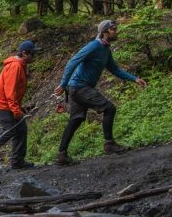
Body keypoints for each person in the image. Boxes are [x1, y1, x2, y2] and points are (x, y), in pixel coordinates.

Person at [54, 20, 147, 166]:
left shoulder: (105, 50)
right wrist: (63, 84)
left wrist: (134, 79)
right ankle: (109, 144)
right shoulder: (94, 46)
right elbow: (72, 62)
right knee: (109, 108)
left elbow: (115, 70)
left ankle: (61, 155)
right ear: (105, 32)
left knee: (76, 119)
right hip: (79, 87)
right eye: (113, 29)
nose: (116, 31)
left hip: (78, 87)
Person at [0, 41, 41, 170]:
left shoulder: (20, 65)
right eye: (32, 53)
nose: (34, 56)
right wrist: (16, 110)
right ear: (24, 53)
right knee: (9, 131)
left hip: (8, 103)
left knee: (21, 129)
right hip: (3, 104)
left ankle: (17, 162)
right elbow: (10, 91)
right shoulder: (15, 66)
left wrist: (17, 107)